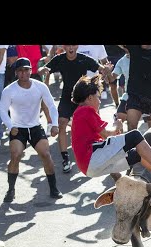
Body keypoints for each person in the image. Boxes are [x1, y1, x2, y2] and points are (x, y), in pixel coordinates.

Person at [70, 74, 151, 189]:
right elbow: (106, 134)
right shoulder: (85, 110)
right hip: (92, 158)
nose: (100, 101)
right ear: (90, 97)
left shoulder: (79, 113)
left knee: (136, 155)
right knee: (135, 135)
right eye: (98, 97)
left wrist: (117, 130)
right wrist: (116, 125)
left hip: (89, 167)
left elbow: (106, 139)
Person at [38, 45, 113, 173]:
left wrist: (106, 69)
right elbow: (43, 69)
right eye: (68, 46)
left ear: (77, 46)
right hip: (67, 97)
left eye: (73, 45)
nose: (71, 48)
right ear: (64, 47)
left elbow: (101, 68)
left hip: (82, 97)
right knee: (62, 123)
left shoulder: (84, 59)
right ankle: (65, 159)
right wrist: (42, 69)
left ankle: (106, 152)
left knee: (94, 126)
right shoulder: (59, 59)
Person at [0, 57, 62, 202]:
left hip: (35, 126)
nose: (23, 73)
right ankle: (11, 190)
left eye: (26, 70)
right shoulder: (9, 90)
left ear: (31, 70)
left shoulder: (40, 87)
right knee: (16, 155)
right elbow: (2, 110)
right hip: (18, 128)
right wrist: (10, 126)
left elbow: (51, 106)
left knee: (46, 154)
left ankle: (53, 188)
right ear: (16, 73)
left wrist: (54, 125)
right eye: (20, 71)